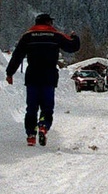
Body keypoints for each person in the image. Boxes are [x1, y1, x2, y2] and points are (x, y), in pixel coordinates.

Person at [6, 13, 81, 147]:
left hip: (32, 75)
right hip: (49, 75)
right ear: (48, 23)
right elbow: (73, 47)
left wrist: (9, 73)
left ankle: (30, 134)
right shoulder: (55, 35)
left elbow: (17, 56)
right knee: (47, 106)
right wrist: (75, 37)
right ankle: (43, 126)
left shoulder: (27, 36)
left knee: (31, 107)